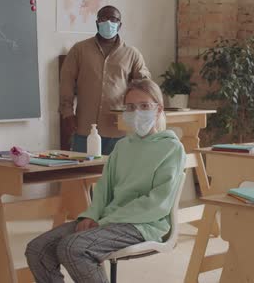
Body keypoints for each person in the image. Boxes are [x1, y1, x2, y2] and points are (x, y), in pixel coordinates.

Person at [26, 79, 185, 282]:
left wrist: (106, 221)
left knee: (73, 247)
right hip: (108, 220)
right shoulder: (122, 147)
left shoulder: (171, 148)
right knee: (37, 250)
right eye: (130, 107)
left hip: (144, 225)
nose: (137, 112)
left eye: (144, 106)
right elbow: (104, 189)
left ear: (158, 109)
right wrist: (90, 216)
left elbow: (157, 203)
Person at [60, 5, 151, 155]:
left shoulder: (132, 54)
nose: (108, 23)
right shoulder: (79, 50)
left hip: (119, 129)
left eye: (113, 19)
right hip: (85, 127)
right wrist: (67, 113)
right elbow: (66, 82)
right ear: (97, 23)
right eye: (103, 19)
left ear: (120, 25)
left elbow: (145, 84)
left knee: (117, 174)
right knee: (83, 173)